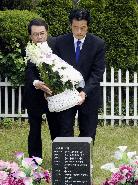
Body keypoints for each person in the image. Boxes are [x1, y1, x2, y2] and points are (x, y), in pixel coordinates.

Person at [54, 9, 105, 143]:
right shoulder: (59, 42)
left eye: (83, 28)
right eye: (75, 27)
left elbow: (97, 72)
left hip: (89, 94)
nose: (79, 32)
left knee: (88, 130)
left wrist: (84, 92)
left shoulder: (98, 44)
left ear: (88, 26)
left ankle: (86, 162)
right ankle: (67, 161)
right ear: (71, 25)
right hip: (65, 94)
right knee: (64, 129)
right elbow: (55, 69)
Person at [23, 19, 58, 158]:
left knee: (56, 128)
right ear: (30, 36)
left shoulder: (56, 45)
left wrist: (51, 87)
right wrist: (36, 82)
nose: (39, 37)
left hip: (53, 94)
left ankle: (60, 160)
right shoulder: (26, 49)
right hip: (34, 94)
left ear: (47, 33)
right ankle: (34, 162)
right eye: (35, 34)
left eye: (42, 33)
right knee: (34, 130)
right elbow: (28, 71)